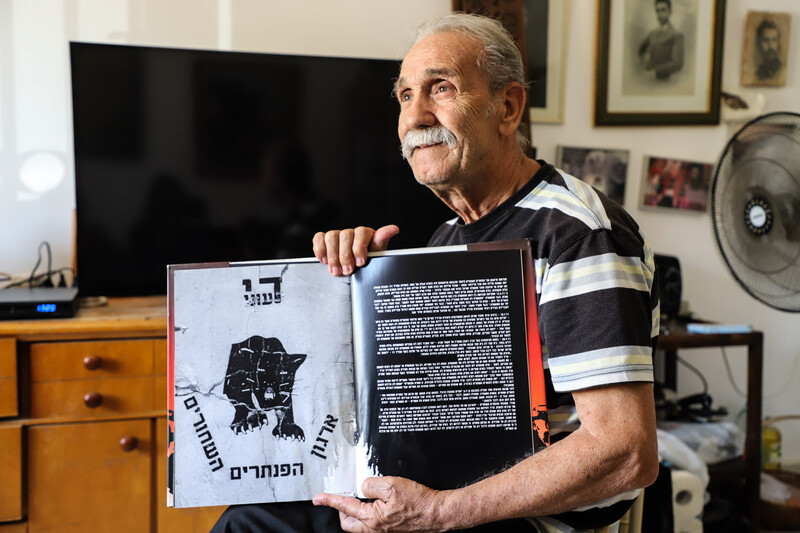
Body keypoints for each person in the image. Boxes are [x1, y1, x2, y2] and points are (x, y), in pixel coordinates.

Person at [213, 12, 659, 533]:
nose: (415, 116)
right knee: (250, 521)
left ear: (508, 108)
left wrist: (440, 513)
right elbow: (407, 401)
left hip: (520, 518)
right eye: (404, 97)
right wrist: (356, 284)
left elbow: (626, 452)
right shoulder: (448, 237)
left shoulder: (579, 235)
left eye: (440, 88)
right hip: (443, 487)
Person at [638, 0, 684, 80]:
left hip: (667, 81)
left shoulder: (676, 35)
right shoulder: (652, 34)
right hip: (650, 81)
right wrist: (645, 63)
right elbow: (641, 51)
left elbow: (677, 64)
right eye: (657, 11)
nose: (660, 14)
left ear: (670, 12)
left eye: (663, 10)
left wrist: (654, 71)